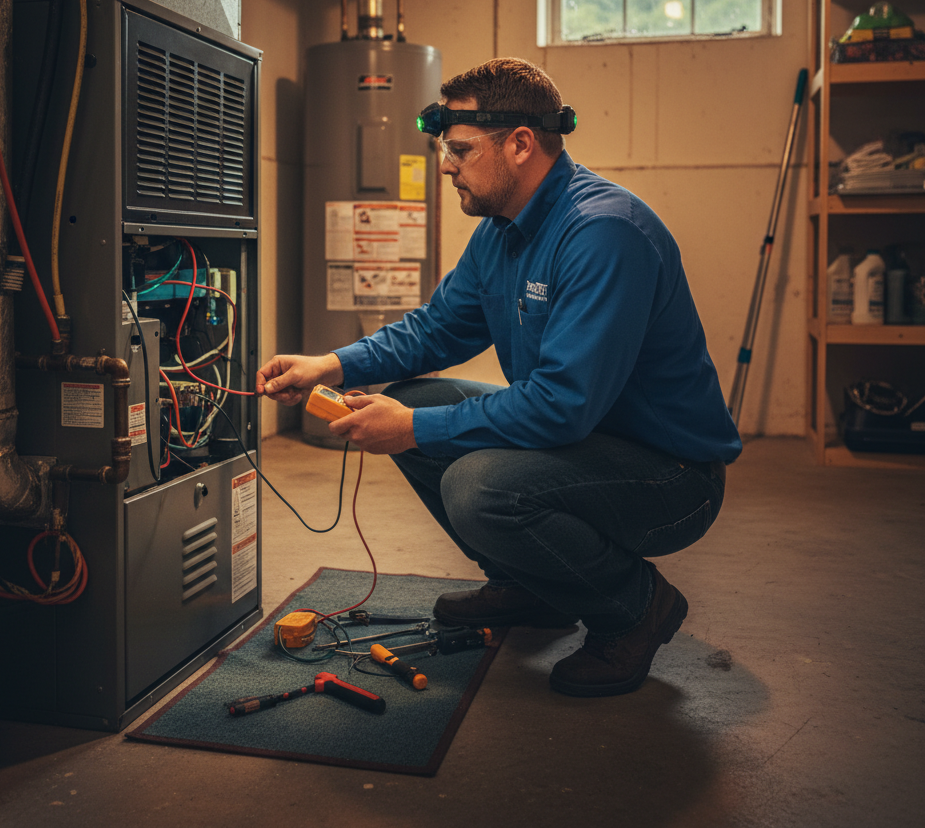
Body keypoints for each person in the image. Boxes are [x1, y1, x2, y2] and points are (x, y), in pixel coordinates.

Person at [257, 57, 741, 698]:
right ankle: (537, 587)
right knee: (419, 399)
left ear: (520, 144)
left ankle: (636, 606)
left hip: (671, 477)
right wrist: (334, 363)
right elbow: (437, 329)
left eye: (459, 150)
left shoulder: (603, 234)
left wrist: (414, 429)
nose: (445, 164)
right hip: (588, 441)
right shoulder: (502, 228)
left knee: (480, 484)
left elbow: (560, 407)